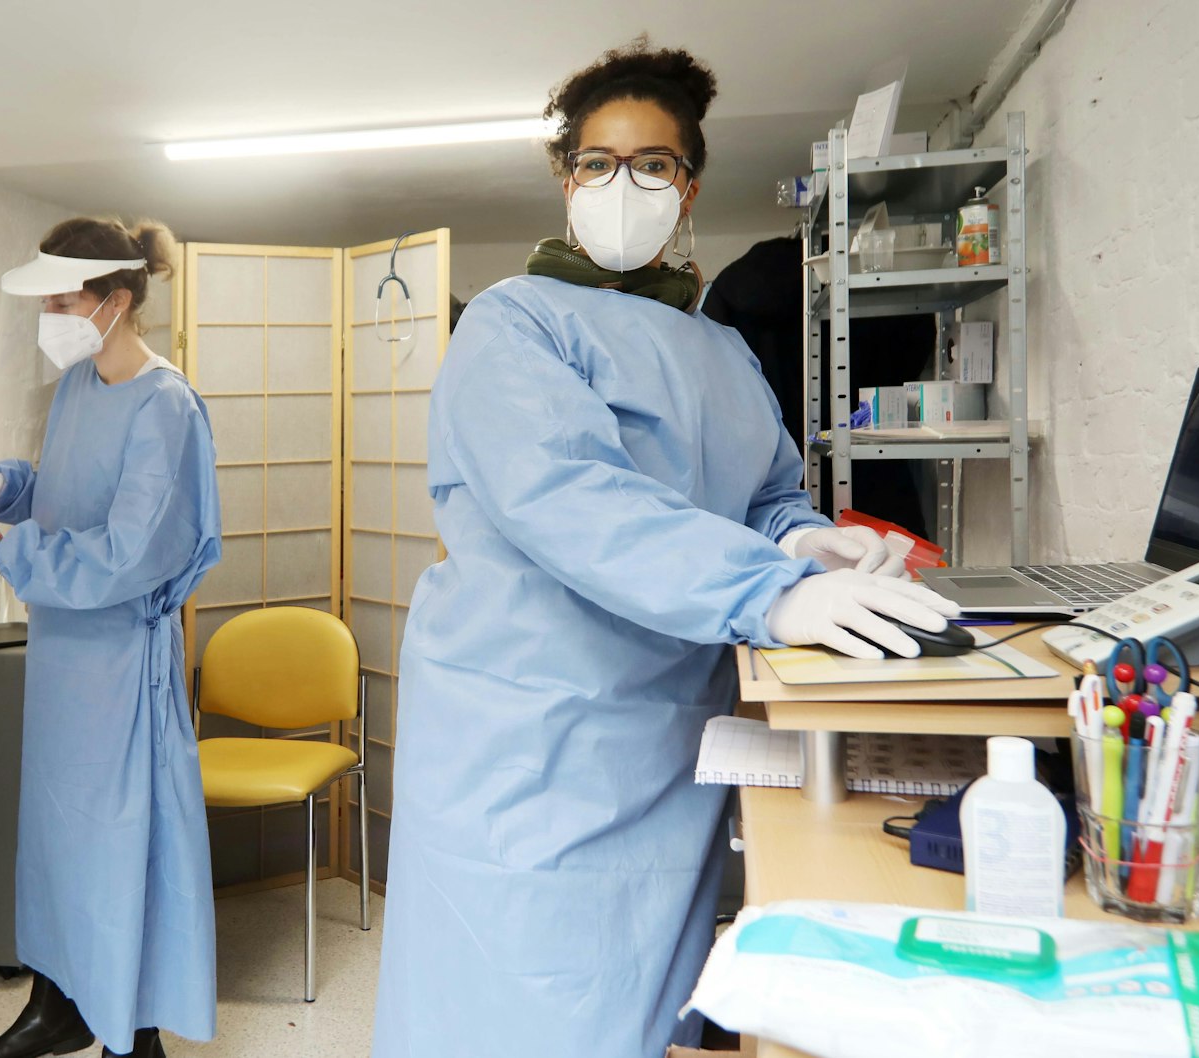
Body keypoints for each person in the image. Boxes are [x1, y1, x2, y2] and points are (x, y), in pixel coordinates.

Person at [370, 41, 961, 1058]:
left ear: (686, 186)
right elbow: (567, 494)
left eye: (650, 164)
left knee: (641, 997)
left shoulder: (719, 347)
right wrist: (768, 590)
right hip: (525, 729)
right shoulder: (514, 325)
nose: (621, 184)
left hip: (662, 723)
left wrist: (808, 541)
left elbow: (762, 492)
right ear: (565, 182)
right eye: (596, 163)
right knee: (516, 1005)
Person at [0, 217, 222, 1058]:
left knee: (118, 844)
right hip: (63, 656)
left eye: (65, 298)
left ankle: (131, 1033)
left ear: (117, 300)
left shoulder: (166, 405)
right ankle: (55, 1006)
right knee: (59, 841)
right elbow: (60, 489)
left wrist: (11, 548)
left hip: (121, 662)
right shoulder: (78, 388)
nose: (51, 313)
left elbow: (131, 553)